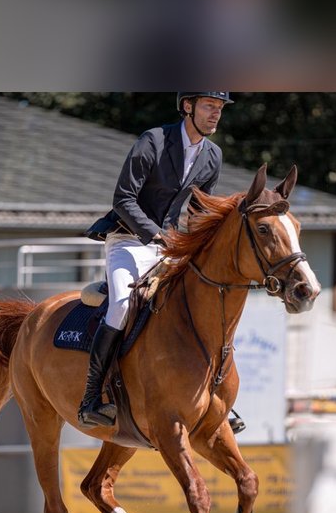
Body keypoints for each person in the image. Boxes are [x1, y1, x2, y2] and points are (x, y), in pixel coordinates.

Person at [78, 92, 233, 428]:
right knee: (121, 304)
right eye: (209, 107)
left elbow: (198, 210)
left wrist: (197, 245)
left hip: (170, 245)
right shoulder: (155, 140)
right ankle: (92, 396)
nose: (215, 115)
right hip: (129, 239)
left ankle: (217, 396)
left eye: (219, 109)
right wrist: (157, 234)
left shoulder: (213, 155)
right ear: (187, 107)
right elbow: (123, 198)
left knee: (202, 304)